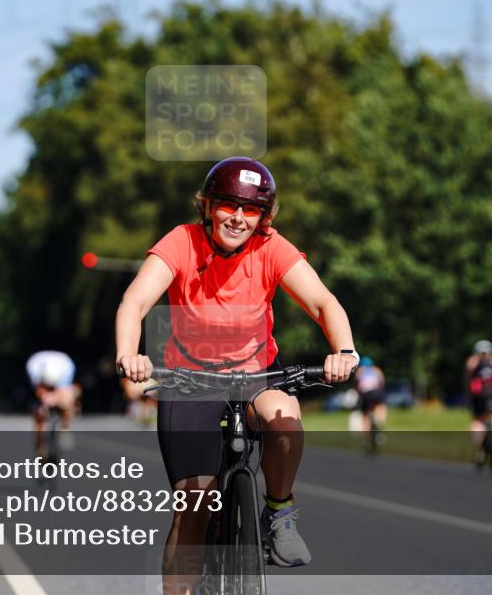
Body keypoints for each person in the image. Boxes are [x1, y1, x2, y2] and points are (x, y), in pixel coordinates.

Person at [115, 157, 359, 595]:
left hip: (255, 374)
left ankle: (279, 511)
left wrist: (344, 350)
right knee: (194, 502)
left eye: (251, 210)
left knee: (285, 415)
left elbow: (324, 303)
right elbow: (134, 302)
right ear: (208, 206)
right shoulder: (181, 242)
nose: (238, 218)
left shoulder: (271, 247)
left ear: (264, 217)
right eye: (228, 205)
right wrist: (128, 354)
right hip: (190, 381)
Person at [26, 350, 81, 456]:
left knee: (67, 401)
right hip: (41, 382)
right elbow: (38, 389)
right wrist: (45, 397)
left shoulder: (66, 367)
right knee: (39, 412)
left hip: (62, 384)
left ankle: (65, 428)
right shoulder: (34, 366)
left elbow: (64, 390)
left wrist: (57, 398)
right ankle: (39, 442)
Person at [465, 340, 492, 463]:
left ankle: (479, 449)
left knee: (478, 421)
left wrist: (468, 399)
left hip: (479, 396)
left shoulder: (471, 362)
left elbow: (467, 382)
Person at [355, 356, 386, 437]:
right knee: (380, 407)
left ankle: (366, 437)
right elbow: (382, 382)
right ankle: (379, 425)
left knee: (365, 415)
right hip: (375, 391)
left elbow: (357, 386)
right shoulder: (376, 370)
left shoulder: (359, 371)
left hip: (365, 394)